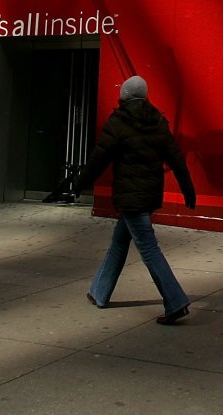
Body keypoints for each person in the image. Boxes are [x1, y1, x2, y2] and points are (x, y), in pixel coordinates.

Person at [74, 75, 197, 324]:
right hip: (148, 195)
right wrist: (188, 189)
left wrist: (79, 183)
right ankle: (99, 292)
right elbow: (176, 158)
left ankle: (176, 302)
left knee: (149, 249)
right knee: (119, 242)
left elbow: (99, 158)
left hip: (131, 197)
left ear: (125, 96)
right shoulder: (157, 122)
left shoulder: (118, 122)